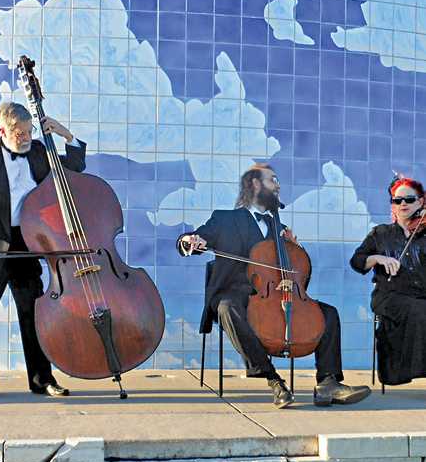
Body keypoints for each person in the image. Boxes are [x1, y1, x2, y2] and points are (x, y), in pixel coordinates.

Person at [177, 164, 371, 408]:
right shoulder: (225, 219)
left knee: (328, 313)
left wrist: (296, 251)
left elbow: (299, 277)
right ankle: (273, 380)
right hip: (236, 295)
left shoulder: (279, 229)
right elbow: (198, 238)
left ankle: (328, 383)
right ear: (255, 184)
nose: (278, 185)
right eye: (273, 180)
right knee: (227, 308)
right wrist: (190, 241)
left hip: (277, 295)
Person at [0, 101, 86, 399]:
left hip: (27, 242)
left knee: (34, 313)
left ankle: (42, 380)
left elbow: (73, 168)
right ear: (2, 130)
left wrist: (65, 134)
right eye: (19, 133)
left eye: (29, 131)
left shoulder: (38, 151)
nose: (25, 138)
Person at [350, 175, 426, 385]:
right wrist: (377, 258)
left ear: (421, 202)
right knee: (420, 310)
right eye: (397, 200)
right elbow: (357, 261)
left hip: (421, 296)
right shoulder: (380, 233)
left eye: (409, 200)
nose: (403, 204)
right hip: (388, 297)